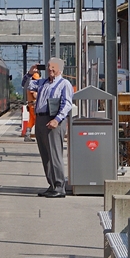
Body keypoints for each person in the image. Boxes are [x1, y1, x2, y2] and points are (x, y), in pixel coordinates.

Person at [21, 57, 75, 198]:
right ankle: (51, 185)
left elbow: (67, 104)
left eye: (53, 67)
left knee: (55, 154)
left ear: (60, 69)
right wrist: (29, 73)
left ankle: (59, 186)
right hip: (40, 119)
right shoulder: (43, 82)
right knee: (46, 155)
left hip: (53, 120)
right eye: (49, 67)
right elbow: (26, 86)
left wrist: (57, 120)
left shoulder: (64, 84)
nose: (50, 70)